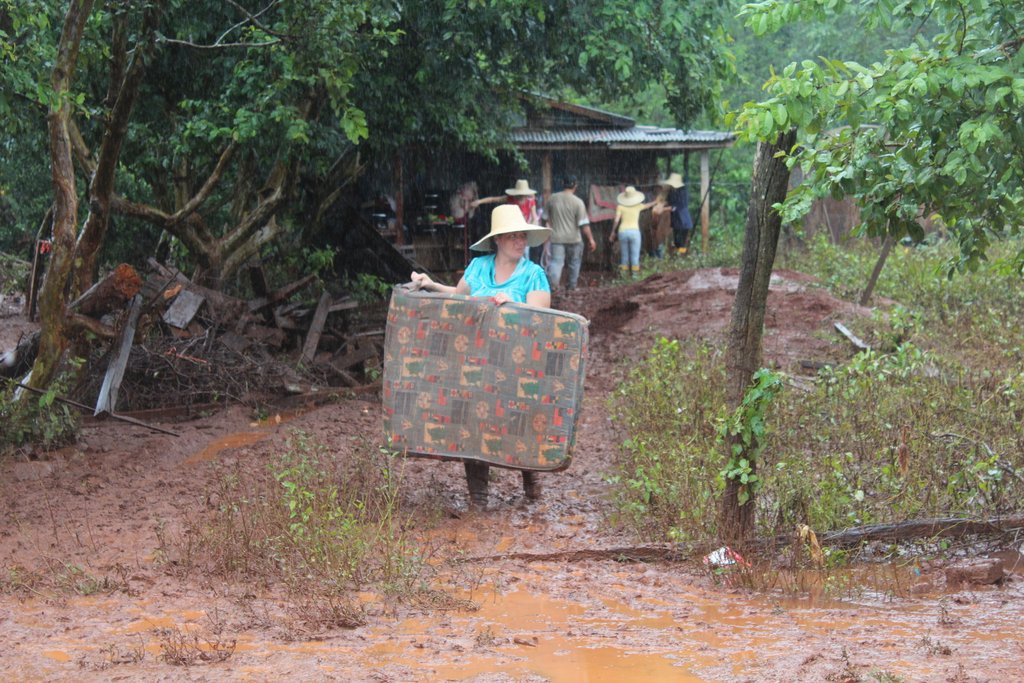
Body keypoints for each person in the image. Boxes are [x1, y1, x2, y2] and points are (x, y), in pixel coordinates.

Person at [409, 204, 552, 508]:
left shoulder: (533, 274)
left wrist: (513, 304)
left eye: (522, 236)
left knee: (519, 421)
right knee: (473, 422)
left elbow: (542, 316)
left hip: (515, 364)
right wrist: (430, 284)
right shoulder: (477, 267)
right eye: (512, 236)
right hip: (475, 360)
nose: (519, 241)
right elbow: (460, 297)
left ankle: (530, 478)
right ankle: (478, 498)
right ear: (497, 239)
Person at [472, 179, 545, 264]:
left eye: (523, 195)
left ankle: (523, 268)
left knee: (525, 252)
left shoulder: (530, 202)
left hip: (524, 228)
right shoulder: (510, 199)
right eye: (520, 195)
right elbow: (493, 199)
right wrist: (479, 202)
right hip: (511, 228)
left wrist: (530, 228)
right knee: (510, 250)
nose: (522, 197)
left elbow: (534, 217)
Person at [545, 175, 596, 291]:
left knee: (556, 263)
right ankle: (571, 287)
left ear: (563, 184)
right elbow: (584, 224)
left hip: (557, 238)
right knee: (574, 263)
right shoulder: (578, 202)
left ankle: (553, 287)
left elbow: (545, 218)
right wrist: (591, 239)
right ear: (575, 186)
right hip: (574, 239)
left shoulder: (552, 199)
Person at [609, 186, 656, 279]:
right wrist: (656, 201)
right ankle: (635, 277)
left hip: (622, 232)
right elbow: (648, 205)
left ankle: (624, 276)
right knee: (635, 256)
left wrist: (613, 232)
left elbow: (616, 220)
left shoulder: (620, 207)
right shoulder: (638, 206)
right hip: (634, 232)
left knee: (624, 256)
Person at [659, 172, 694, 256]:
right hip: (677, 221)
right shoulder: (673, 192)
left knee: (680, 242)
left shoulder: (681, 192)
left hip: (682, 220)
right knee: (677, 241)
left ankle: (681, 256)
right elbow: (668, 202)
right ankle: (680, 255)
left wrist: (662, 209)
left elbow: (674, 207)